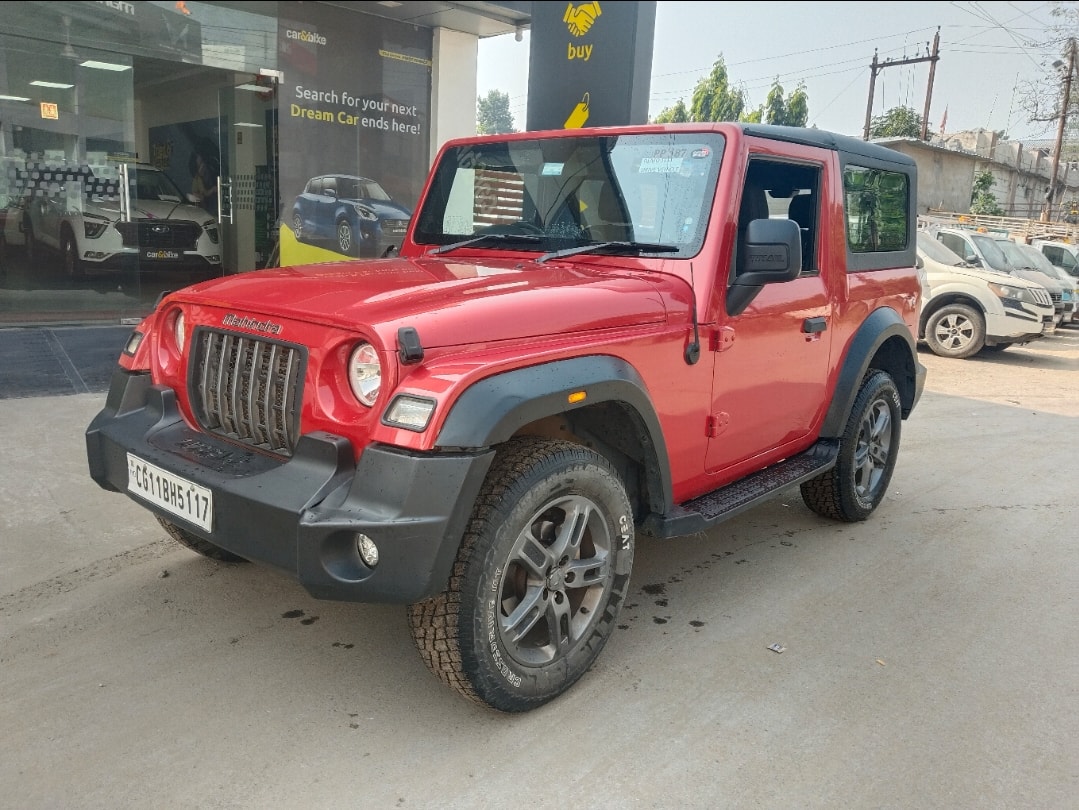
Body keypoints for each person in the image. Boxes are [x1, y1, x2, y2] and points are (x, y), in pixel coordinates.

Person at [189, 148, 219, 215]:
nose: (203, 166)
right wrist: (213, 189)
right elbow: (205, 193)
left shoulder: (210, 173)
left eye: (203, 162)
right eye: (201, 163)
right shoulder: (197, 179)